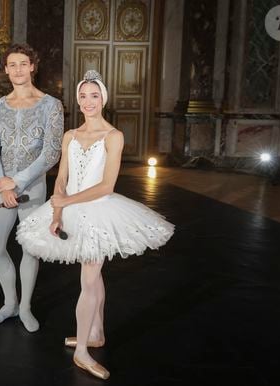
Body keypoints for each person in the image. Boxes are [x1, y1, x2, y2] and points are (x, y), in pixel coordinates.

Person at [16, 70, 174, 379]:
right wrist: (57, 212)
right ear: (78, 99)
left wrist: (66, 204)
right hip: (69, 209)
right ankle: (96, 332)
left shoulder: (113, 136)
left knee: (88, 280)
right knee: (93, 274)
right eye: (84, 96)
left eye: (95, 95)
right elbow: (61, 178)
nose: (89, 101)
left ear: (103, 99)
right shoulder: (70, 135)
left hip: (99, 211)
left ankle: (82, 353)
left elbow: (106, 186)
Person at [0, 43, 64, 333]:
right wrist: (3, 184)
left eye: (23, 63)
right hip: (0, 187)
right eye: (12, 64)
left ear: (33, 66)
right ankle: (10, 304)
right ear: (5, 69)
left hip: (34, 189)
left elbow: (51, 152)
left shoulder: (51, 105)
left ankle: (27, 307)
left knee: (30, 249)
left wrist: (17, 182)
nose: (18, 69)